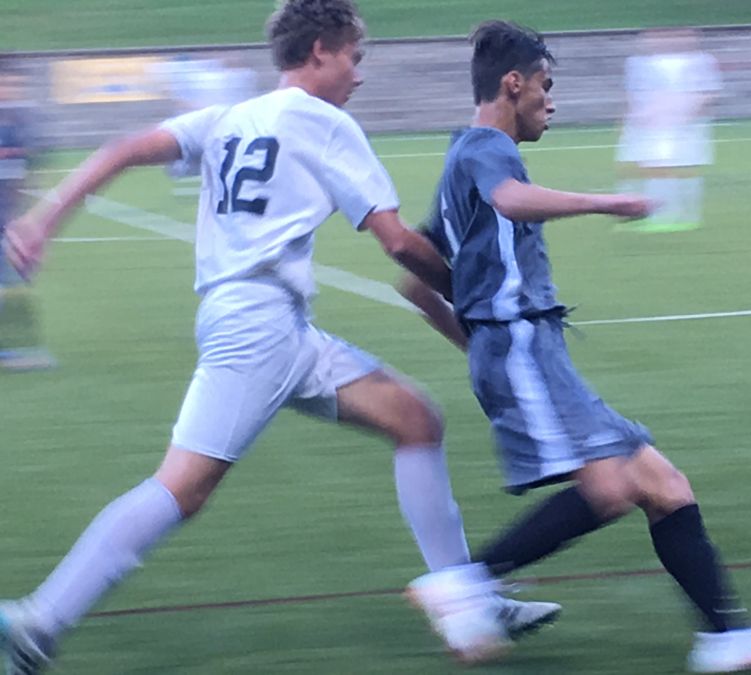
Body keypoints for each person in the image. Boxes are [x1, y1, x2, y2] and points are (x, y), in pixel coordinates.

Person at [0, 3, 557, 673]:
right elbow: (398, 242)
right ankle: (40, 619)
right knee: (182, 487)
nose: (359, 74)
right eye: (354, 57)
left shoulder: (231, 116)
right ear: (320, 51)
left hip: (273, 324)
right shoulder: (326, 123)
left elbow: (123, 150)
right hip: (257, 329)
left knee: (415, 418)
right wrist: (474, 295)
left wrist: (43, 218)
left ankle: (465, 598)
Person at [399, 21, 751, 673]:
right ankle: (466, 583)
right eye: (545, 85)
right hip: (523, 346)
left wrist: (479, 342)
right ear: (512, 84)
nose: (552, 101)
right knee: (609, 488)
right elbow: (510, 201)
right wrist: (603, 202)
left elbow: (417, 282)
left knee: (663, 483)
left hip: (523, 349)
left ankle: (728, 638)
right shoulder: (488, 149)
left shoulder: (460, 155)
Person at [616, 28, 722, 233]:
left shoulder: (699, 61)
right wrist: (631, 117)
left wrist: (685, 116)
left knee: (673, 168)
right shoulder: (639, 63)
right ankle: (649, 212)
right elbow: (633, 93)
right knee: (644, 167)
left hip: (677, 126)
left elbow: (708, 93)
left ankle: (676, 214)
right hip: (647, 124)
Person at [0, 59, 55, 371]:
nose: (9, 90)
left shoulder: (21, 125)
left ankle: (10, 350)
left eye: (15, 84)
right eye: (5, 83)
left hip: (6, 219)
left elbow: (28, 173)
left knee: (11, 280)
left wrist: (25, 221)